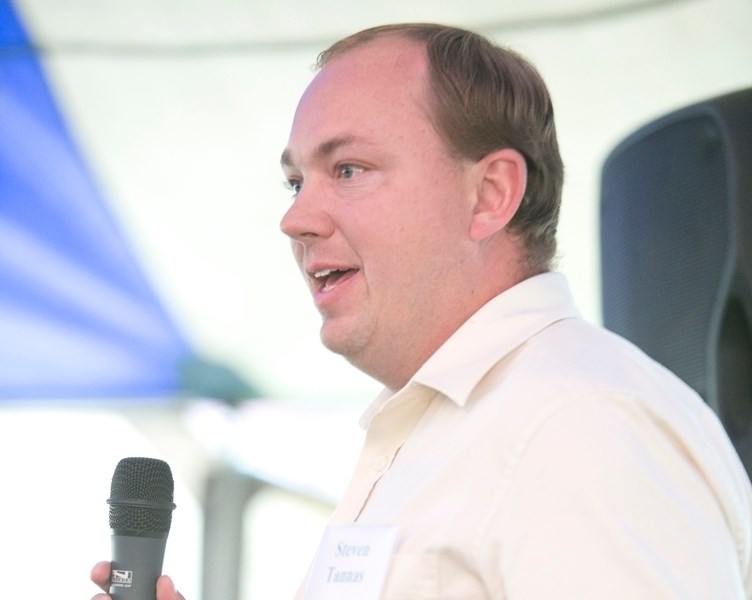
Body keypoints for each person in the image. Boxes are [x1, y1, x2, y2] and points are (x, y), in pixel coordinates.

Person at [91, 23, 752, 599]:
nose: (295, 217)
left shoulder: (577, 424)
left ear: (490, 194)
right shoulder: (458, 426)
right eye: (297, 181)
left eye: (348, 169)